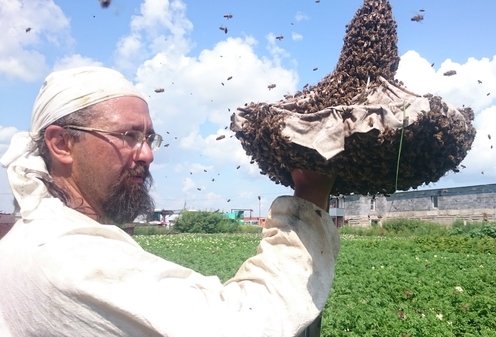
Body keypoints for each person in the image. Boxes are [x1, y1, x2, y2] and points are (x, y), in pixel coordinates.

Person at [0, 66, 340, 336]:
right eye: (128, 136)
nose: (147, 154)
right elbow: (243, 325)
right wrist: (311, 190)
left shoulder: (26, 239)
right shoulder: (71, 258)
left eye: (148, 137)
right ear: (61, 144)